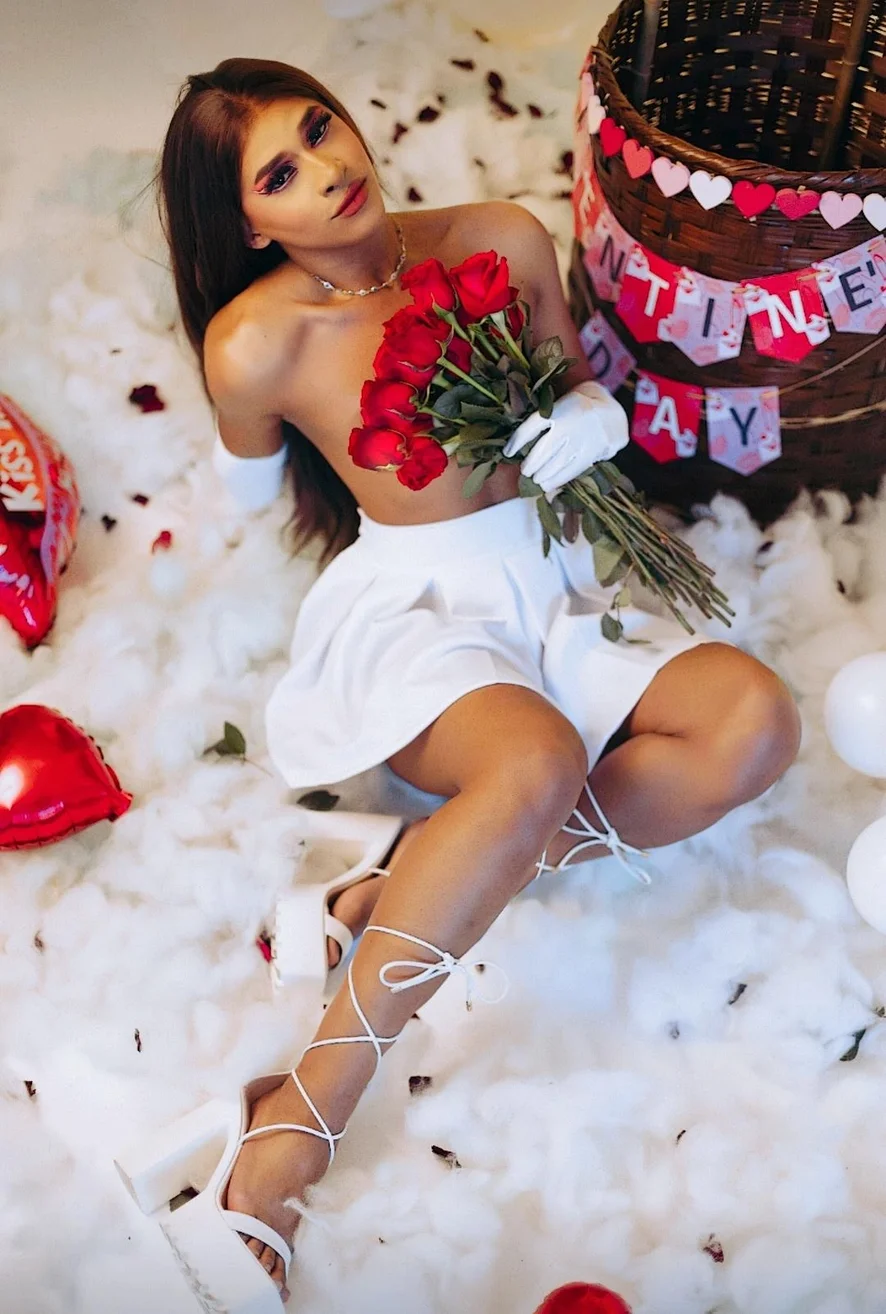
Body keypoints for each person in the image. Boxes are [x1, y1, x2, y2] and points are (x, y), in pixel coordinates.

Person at [148, 56, 801, 1308]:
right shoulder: (255, 340)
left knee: (751, 726)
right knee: (533, 757)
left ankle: (395, 886)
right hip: (420, 611)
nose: (326, 169)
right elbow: (250, 486)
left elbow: (573, 389)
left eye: (320, 127)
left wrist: (592, 424)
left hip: (551, 584)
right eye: (278, 173)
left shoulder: (499, 237)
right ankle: (296, 1122)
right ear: (249, 225)